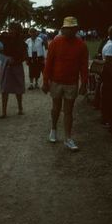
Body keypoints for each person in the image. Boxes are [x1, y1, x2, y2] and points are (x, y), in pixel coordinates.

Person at [42, 16, 88, 150]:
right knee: (56, 108)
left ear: (76, 29)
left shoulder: (81, 45)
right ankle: (53, 129)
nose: (69, 31)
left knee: (68, 111)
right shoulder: (55, 43)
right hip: (56, 82)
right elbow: (48, 64)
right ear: (63, 29)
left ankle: (68, 138)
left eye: (72, 28)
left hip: (71, 83)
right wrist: (45, 82)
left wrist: (84, 84)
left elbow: (84, 67)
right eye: (67, 28)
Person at [0, 22, 27, 118]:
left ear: (17, 31)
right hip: (7, 65)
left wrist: (15, 61)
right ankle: (4, 112)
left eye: (13, 29)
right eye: (10, 29)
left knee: (18, 88)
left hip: (17, 65)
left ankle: (20, 108)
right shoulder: (5, 38)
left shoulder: (21, 42)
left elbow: (24, 56)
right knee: (4, 89)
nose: (10, 31)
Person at [101, 26, 112, 131]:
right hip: (109, 75)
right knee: (109, 97)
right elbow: (109, 63)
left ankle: (106, 118)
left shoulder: (108, 44)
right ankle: (108, 120)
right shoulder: (111, 46)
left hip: (107, 74)